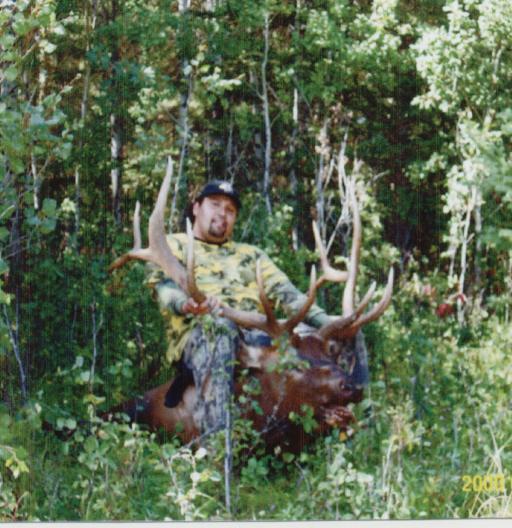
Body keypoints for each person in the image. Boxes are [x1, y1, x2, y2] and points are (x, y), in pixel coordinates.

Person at [146, 180, 344, 437]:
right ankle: (217, 447)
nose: (222, 213)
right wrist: (184, 303)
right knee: (220, 328)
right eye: (215, 205)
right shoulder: (175, 245)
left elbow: (290, 296)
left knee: (327, 338)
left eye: (230, 210)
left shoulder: (251, 255)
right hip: (204, 333)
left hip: (259, 336)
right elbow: (165, 288)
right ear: (196, 208)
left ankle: (340, 432)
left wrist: (329, 322)